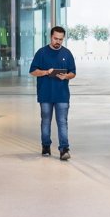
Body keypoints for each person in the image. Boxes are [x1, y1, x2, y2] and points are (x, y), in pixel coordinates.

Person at [30, 26, 77, 161]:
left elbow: (73, 73)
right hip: (45, 94)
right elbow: (33, 71)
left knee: (62, 122)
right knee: (46, 121)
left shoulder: (67, 54)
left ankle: (64, 149)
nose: (58, 41)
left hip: (62, 95)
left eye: (60, 39)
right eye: (55, 38)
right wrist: (46, 72)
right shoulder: (41, 53)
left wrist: (66, 76)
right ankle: (45, 146)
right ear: (50, 37)